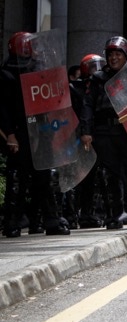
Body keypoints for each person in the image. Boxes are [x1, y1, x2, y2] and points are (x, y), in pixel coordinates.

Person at [0, 31, 70, 237]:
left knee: (45, 177)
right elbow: (2, 109)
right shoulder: (7, 74)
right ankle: (12, 222)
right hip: (20, 132)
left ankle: (49, 220)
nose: (36, 51)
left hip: (41, 130)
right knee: (17, 179)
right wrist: (10, 135)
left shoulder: (37, 72)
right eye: (32, 47)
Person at [79, 36, 127, 231]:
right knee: (109, 175)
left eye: (118, 54)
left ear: (126, 56)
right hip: (105, 131)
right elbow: (88, 105)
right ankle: (113, 216)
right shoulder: (98, 79)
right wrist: (86, 131)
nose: (114, 58)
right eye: (111, 54)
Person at [71, 54, 107, 229]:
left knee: (96, 177)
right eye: (93, 66)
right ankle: (71, 214)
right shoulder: (74, 88)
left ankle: (90, 213)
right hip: (76, 138)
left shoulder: (102, 85)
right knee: (78, 178)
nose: (97, 69)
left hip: (96, 136)